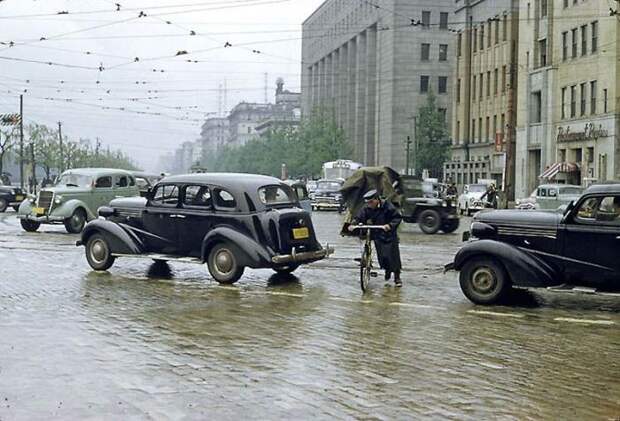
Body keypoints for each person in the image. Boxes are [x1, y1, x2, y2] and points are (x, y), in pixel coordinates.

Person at [348, 189, 403, 287]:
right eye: (368, 202)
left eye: (371, 202)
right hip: (377, 233)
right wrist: (353, 224)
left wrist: (390, 225)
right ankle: (387, 270)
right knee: (383, 257)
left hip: (389, 234)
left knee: (393, 257)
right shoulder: (367, 208)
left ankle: (397, 277)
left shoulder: (387, 206)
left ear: (377, 199)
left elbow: (397, 217)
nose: (370, 204)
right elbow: (359, 217)